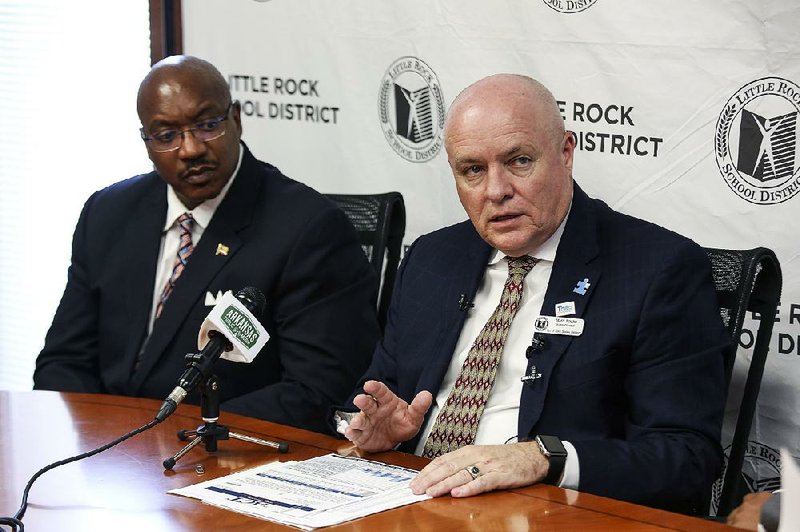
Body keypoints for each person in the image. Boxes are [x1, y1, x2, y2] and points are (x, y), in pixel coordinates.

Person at [336, 74, 729, 513]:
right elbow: (371, 396)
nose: (496, 190)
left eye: (519, 161)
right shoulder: (432, 258)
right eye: (473, 170)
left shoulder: (657, 269)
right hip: (411, 505)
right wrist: (373, 427)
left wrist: (544, 458)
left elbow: (687, 458)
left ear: (566, 153)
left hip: (551, 514)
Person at [34, 55, 380, 434]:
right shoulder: (108, 212)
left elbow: (317, 391)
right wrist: (101, 439)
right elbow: (63, 362)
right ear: (146, 142)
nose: (190, 149)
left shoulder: (309, 229)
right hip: (109, 458)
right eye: (167, 135)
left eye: (206, 125)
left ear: (235, 118)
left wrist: (172, 435)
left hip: (219, 455)